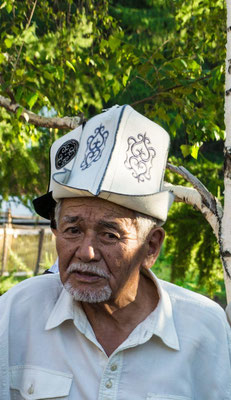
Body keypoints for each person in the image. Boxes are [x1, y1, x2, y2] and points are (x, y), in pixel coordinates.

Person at [0, 105, 231, 399]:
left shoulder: (203, 329)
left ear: (151, 246)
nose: (86, 252)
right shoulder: (18, 312)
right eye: (72, 230)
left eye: (110, 235)